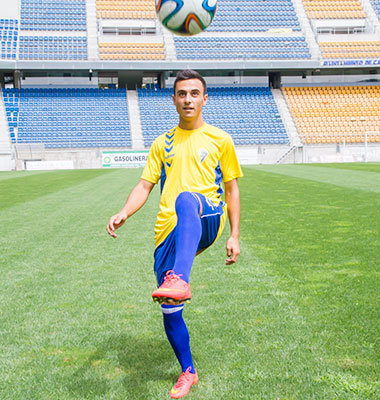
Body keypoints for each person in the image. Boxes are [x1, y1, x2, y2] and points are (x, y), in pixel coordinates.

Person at [106, 69, 242, 399]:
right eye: (182, 94)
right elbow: (144, 186)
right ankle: (188, 371)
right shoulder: (161, 143)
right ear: (174, 100)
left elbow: (232, 189)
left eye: (194, 93)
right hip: (168, 231)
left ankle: (180, 277)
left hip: (206, 214)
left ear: (204, 98)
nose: (188, 99)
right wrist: (125, 211)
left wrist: (235, 234)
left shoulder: (220, 140)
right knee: (169, 307)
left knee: (187, 199)